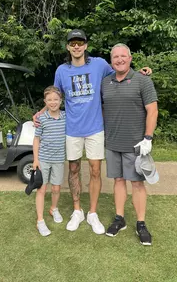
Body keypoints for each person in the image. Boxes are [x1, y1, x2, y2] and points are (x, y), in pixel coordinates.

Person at [33, 29, 152, 234]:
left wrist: (141, 72)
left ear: (86, 45)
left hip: (96, 128)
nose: (76, 46)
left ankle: (93, 213)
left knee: (96, 170)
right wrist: (40, 113)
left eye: (80, 42)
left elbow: (121, 72)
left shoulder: (99, 65)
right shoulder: (62, 70)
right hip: (72, 129)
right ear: (68, 47)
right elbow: (54, 97)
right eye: (73, 43)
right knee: (73, 170)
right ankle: (78, 210)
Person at [101, 43, 158, 245]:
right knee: (117, 180)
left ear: (130, 58)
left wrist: (148, 138)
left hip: (136, 144)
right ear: (111, 60)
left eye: (123, 56)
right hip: (112, 142)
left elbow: (152, 110)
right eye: (115, 57)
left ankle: (141, 223)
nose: (119, 60)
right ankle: (119, 218)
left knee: (137, 183)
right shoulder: (105, 82)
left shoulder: (142, 80)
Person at [33, 85, 66, 237]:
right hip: (44, 160)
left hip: (59, 160)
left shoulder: (66, 117)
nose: (53, 102)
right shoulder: (41, 119)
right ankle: (40, 220)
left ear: (61, 100)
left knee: (56, 189)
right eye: (49, 100)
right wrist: (35, 160)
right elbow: (36, 140)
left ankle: (53, 208)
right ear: (45, 101)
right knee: (42, 189)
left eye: (56, 99)